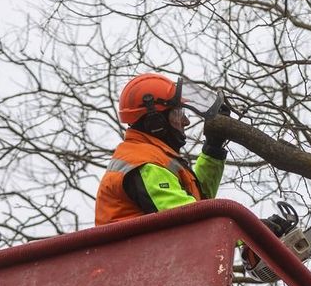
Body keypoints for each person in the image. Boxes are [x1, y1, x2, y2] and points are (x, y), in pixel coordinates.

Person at [95, 73, 230, 226]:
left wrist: (213, 149)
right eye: (178, 113)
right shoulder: (145, 164)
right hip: (139, 250)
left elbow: (198, 201)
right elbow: (194, 221)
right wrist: (248, 233)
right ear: (156, 123)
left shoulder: (156, 158)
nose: (186, 121)